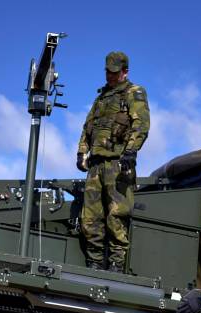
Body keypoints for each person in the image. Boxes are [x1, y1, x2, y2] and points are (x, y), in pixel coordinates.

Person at [76, 51, 150, 273]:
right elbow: (87, 126)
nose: (110, 75)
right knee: (90, 219)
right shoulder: (101, 98)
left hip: (118, 164)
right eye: (108, 71)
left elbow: (141, 124)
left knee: (116, 217)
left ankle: (116, 266)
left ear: (125, 71)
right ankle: (94, 263)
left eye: (114, 72)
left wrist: (130, 152)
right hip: (96, 165)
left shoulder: (134, 93)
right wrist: (82, 152)